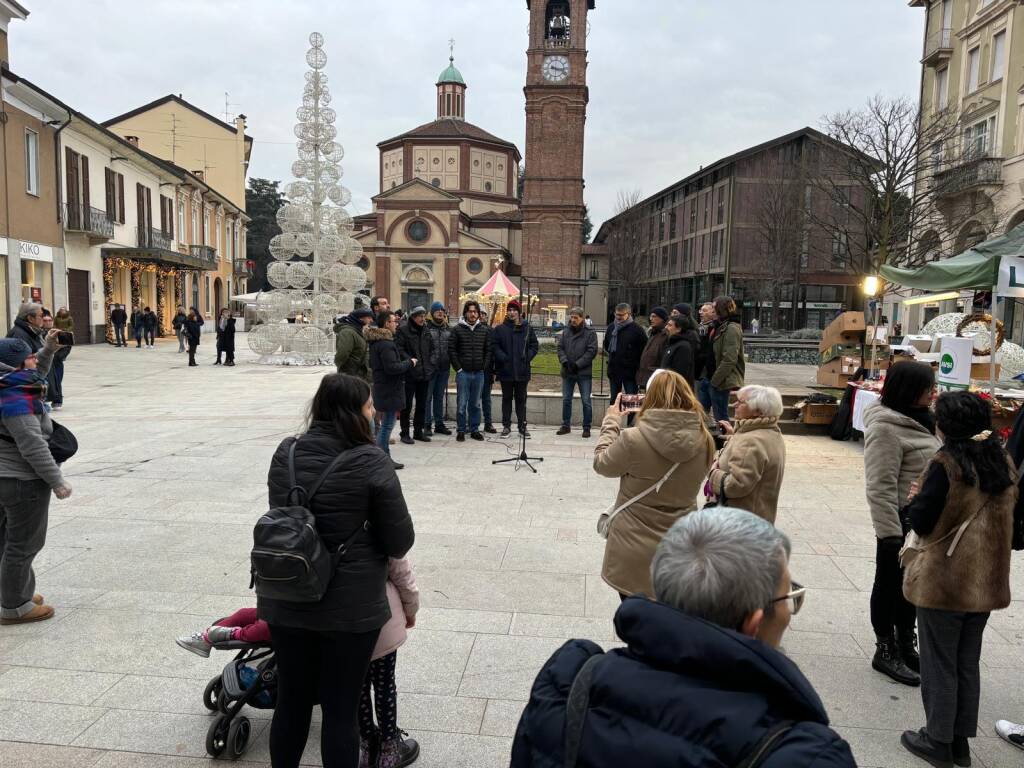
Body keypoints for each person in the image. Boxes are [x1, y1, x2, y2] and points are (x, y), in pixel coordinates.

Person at [511, 507, 856, 768]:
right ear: (753, 622)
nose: (788, 611)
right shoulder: (804, 754)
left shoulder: (570, 683)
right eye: (788, 599)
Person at [257, 373, 415, 768]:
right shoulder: (370, 460)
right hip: (350, 608)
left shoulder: (287, 453)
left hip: (287, 595)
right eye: (367, 404)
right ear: (351, 411)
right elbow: (399, 540)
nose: (374, 411)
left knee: (291, 703)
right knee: (340, 712)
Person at [899, 391, 1016, 768]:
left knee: (939, 662)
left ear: (946, 427)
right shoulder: (1003, 462)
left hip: (945, 581)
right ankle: (960, 742)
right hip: (987, 581)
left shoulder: (946, 464)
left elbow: (921, 520)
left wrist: (912, 501)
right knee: (966, 662)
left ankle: (936, 740)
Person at [594, 369, 714, 599]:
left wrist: (611, 421)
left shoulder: (633, 438)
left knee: (636, 619)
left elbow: (602, 464)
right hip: (680, 543)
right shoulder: (705, 440)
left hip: (633, 544)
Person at [862, 360, 939, 688]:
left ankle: (906, 643)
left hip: (921, 522)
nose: (932, 393)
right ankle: (885, 649)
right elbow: (879, 484)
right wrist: (889, 533)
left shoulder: (925, 420)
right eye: (927, 389)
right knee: (890, 584)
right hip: (898, 522)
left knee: (911, 588)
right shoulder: (886, 426)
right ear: (910, 390)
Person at [0, 332, 73, 626]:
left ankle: (13, 591)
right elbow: (31, 444)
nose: (34, 359)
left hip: (4, 476)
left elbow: (36, 374)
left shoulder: (10, 383)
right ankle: (15, 605)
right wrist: (57, 481)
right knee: (23, 543)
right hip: (21, 480)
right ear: (16, 365)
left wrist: (47, 350)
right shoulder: (14, 397)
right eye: (29, 357)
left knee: (5, 540)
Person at [705, 385, 786, 524]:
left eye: (741, 402)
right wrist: (733, 437)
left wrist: (712, 473)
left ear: (757, 411)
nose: (734, 404)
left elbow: (736, 485)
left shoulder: (750, 441)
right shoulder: (771, 433)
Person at [367, 311, 415, 470]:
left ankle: (380, 457)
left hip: (384, 387)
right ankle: (383, 458)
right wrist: (410, 363)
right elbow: (392, 368)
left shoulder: (377, 342)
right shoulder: (386, 344)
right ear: (387, 324)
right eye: (394, 321)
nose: (397, 324)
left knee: (386, 424)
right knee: (387, 425)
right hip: (389, 389)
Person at [492, 299, 539, 438]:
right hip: (506, 370)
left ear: (519, 313)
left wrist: (527, 357)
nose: (512, 313)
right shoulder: (500, 329)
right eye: (510, 310)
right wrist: (503, 357)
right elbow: (495, 346)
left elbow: (534, 345)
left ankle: (522, 426)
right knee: (506, 398)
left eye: (514, 310)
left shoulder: (527, 328)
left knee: (521, 399)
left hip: (522, 371)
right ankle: (506, 426)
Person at [449, 300, 491, 442]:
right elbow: (452, 350)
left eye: (475, 312)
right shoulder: (457, 330)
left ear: (478, 314)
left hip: (479, 373)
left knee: (475, 404)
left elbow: (488, 350)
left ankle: (474, 429)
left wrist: (484, 366)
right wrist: (458, 369)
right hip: (463, 373)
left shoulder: (484, 330)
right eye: (470, 311)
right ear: (465, 313)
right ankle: (461, 430)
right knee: (462, 403)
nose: (473, 314)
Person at [556, 307, 598, 438]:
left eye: (576, 318)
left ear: (582, 318)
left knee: (586, 401)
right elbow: (560, 347)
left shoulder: (590, 332)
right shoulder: (566, 331)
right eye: (571, 317)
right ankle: (565, 425)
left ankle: (586, 427)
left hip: (583, 373)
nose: (573, 320)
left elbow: (591, 351)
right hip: (568, 371)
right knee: (566, 399)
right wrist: (564, 362)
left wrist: (577, 364)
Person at [396, 306, 435, 445]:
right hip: (410, 373)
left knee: (422, 404)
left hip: (425, 373)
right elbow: (399, 349)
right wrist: (410, 362)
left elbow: (432, 349)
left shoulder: (426, 330)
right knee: (406, 405)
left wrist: (431, 363)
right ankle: (404, 433)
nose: (423, 319)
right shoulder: (403, 330)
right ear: (413, 317)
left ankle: (418, 432)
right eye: (420, 316)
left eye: (424, 316)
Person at [708, 295, 745, 424]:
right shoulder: (719, 326)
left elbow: (729, 359)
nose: (711, 310)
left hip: (721, 381)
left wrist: (715, 380)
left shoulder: (731, 328)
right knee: (715, 416)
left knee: (721, 417)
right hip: (714, 378)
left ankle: (725, 441)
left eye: (714, 307)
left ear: (721, 309)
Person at [602, 303, 647, 404]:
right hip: (614, 371)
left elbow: (644, 350)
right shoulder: (611, 327)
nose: (618, 317)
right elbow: (607, 345)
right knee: (614, 400)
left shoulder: (637, 330)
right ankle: (614, 420)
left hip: (630, 373)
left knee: (632, 401)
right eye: (616, 314)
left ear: (629, 314)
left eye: (621, 315)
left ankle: (631, 421)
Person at [425, 302, 452, 437]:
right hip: (430, 369)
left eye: (442, 310)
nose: (440, 312)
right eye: (437, 310)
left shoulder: (448, 328)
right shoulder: (426, 328)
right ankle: (427, 424)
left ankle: (439, 424)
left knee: (439, 397)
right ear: (432, 313)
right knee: (427, 397)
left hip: (444, 368)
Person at [335, 307, 374, 381]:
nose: (371, 320)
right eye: (369, 317)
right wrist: (343, 368)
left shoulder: (358, 331)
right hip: (350, 374)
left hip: (359, 374)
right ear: (361, 318)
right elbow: (342, 354)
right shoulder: (347, 332)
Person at [39, 314, 68, 411]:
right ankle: (45, 399)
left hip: (56, 362)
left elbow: (67, 345)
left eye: (49, 320)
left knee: (57, 380)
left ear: (52, 321)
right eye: (45, 320)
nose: (47, 322)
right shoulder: (39, 333)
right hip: (46, 362)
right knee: (46, 381)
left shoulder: (58, 332)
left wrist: (59, 357)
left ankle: (57, 401)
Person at [661, 314, 699, 388]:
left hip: (676, 390)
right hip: (668, 387)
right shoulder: (672, 343)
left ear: (678, 329)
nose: (666, 327)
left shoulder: (683, 347)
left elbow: (679, 374)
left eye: (669, 325)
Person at [636, 306, 670, 388]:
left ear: (662, 319)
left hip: (656, 378)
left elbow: (664, 360)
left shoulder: (666, 336)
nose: (651, 319)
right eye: (650, 316)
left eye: (654, 316)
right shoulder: (652, 333)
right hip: (645, 378)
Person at [695, 301, 716, 413]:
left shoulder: (714, 328)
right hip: (699, 370)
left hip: (708, 369)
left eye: (704, 310)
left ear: (713, 312)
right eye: (700, 310)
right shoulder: (699, 328)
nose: (701, 313)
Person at [479, 308, 497, 434]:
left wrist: (494, 370)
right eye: (479, 314)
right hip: (472, 369)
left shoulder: (491, 331)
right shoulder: (469, 329)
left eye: (483, 314)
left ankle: (488, 423)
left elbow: (494, 352)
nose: (481, 316)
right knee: (472, 399)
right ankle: (472, 424)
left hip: (487, 370)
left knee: (486, 398)